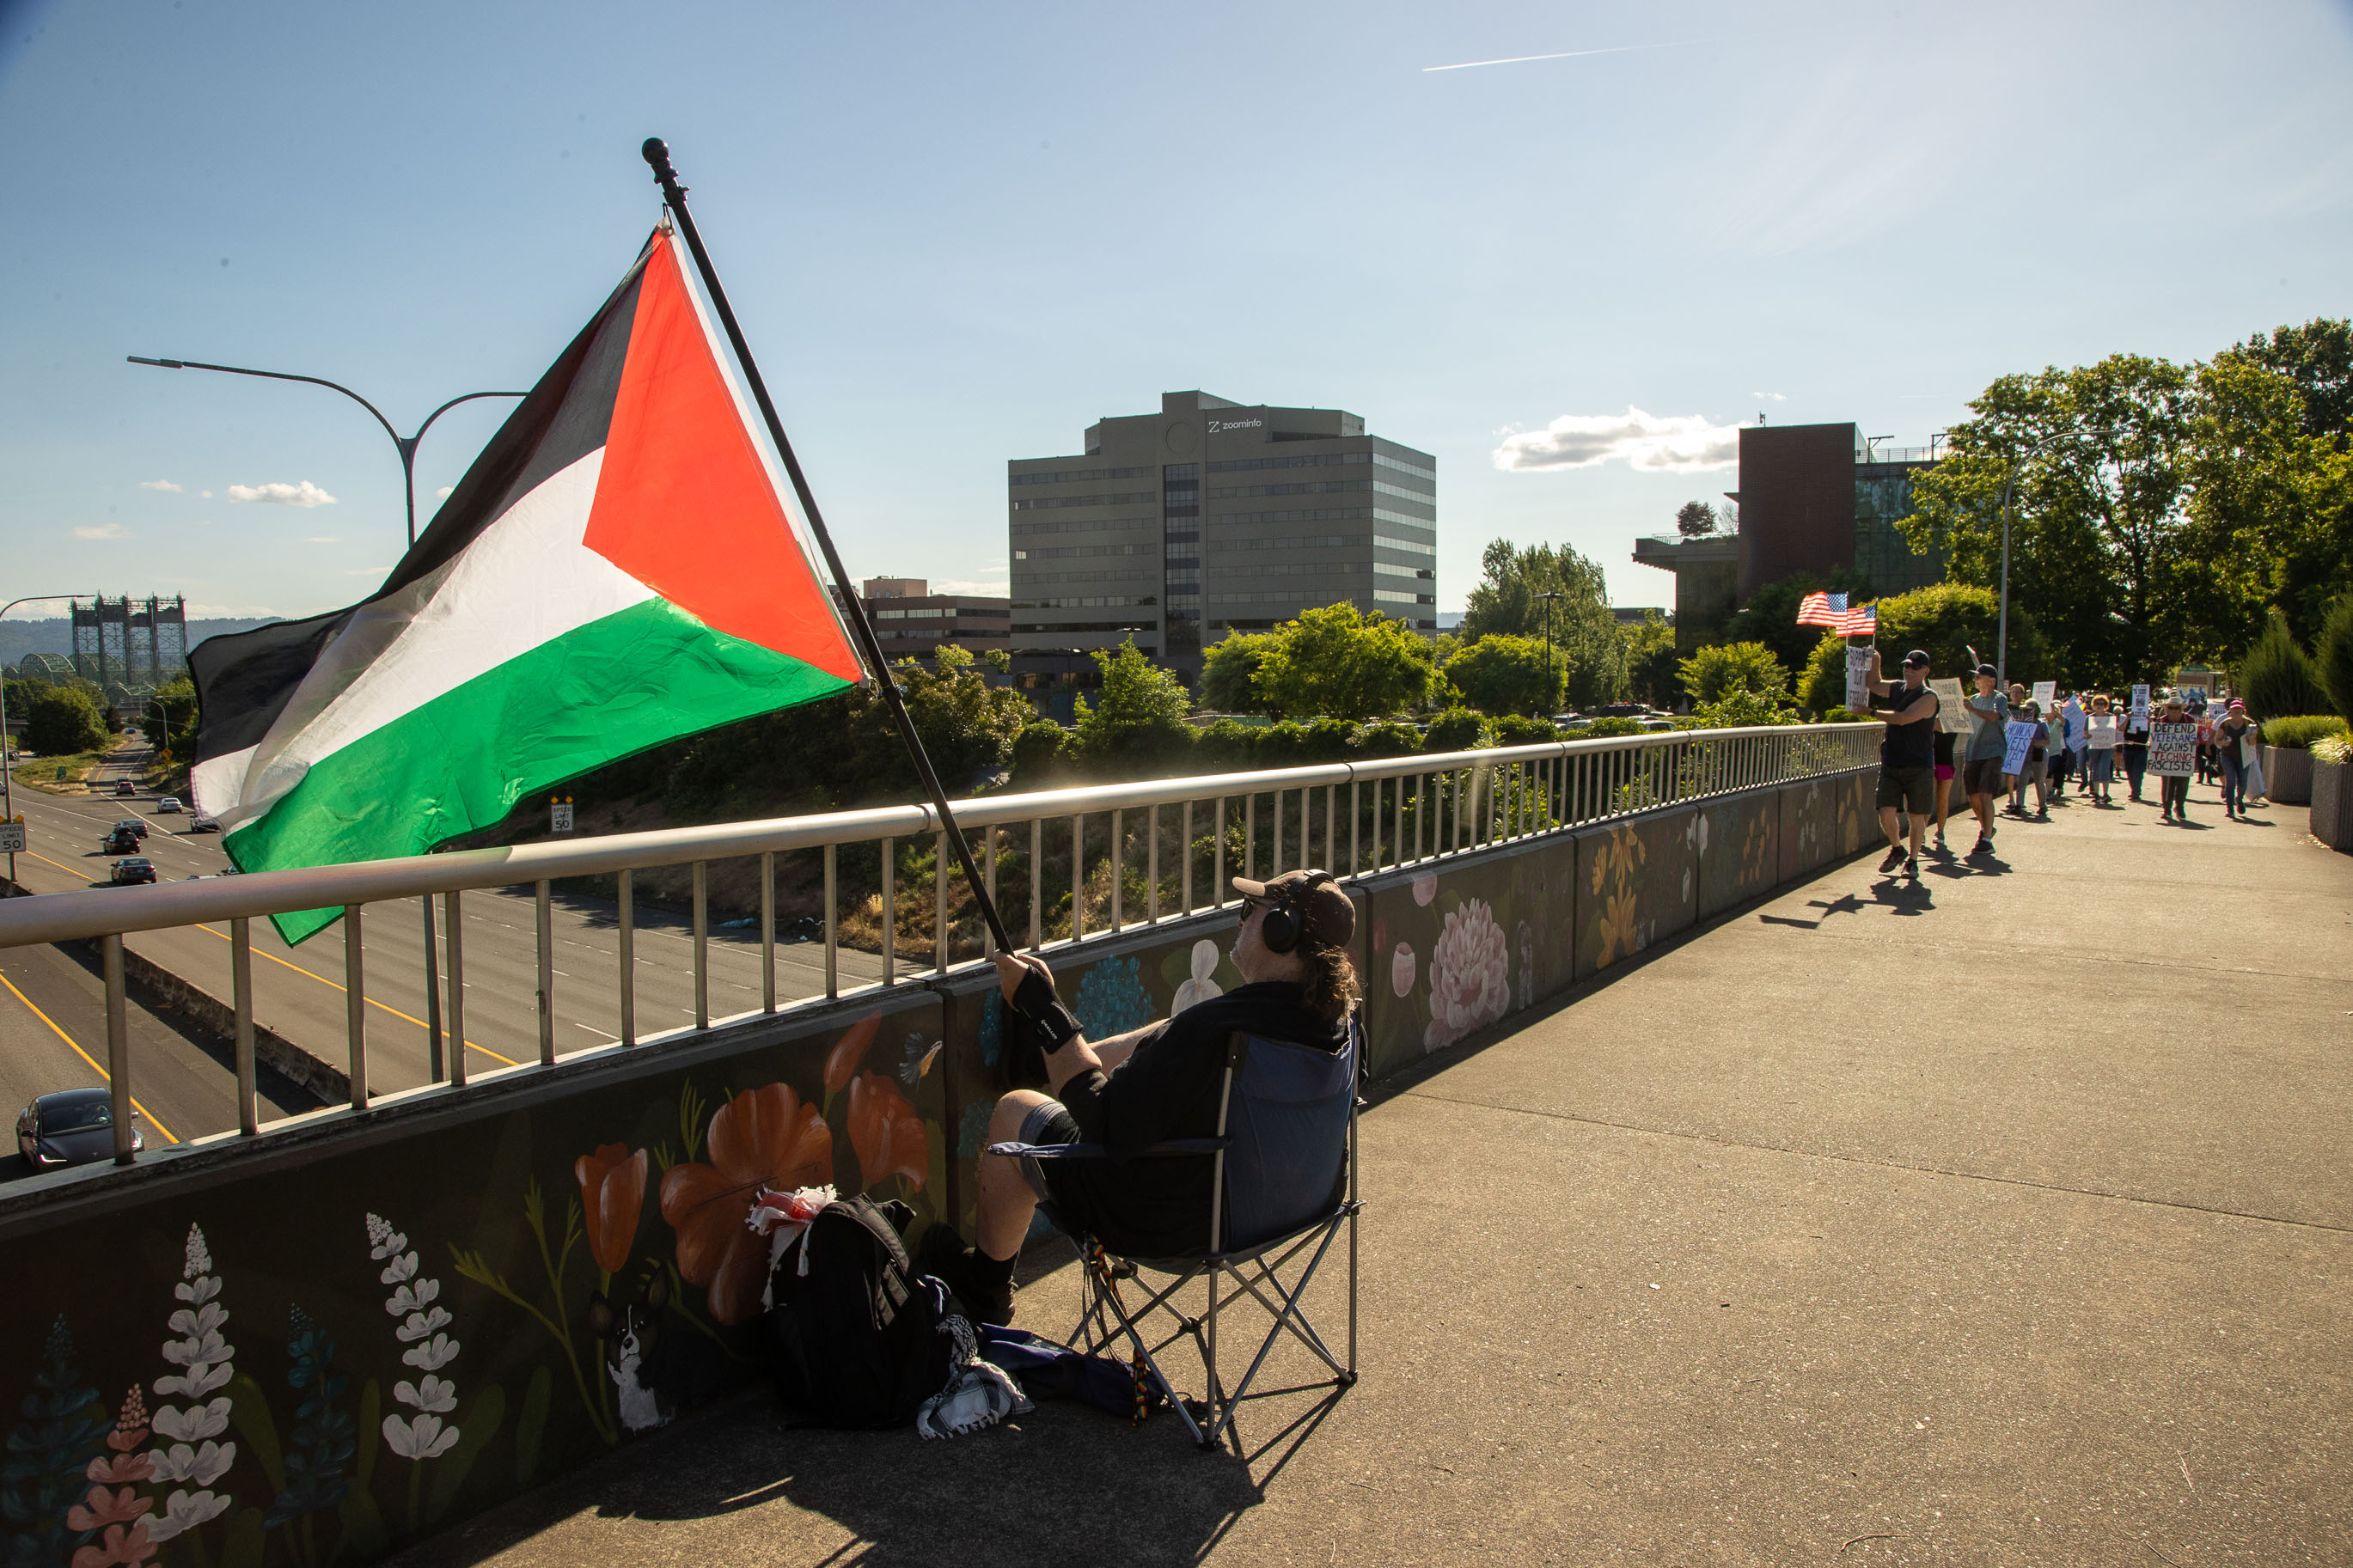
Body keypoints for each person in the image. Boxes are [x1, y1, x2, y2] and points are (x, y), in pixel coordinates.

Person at [925, 869, 1359, 1324]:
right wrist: (1068, 1054)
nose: (1240, 920)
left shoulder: (1215, 1030)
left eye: (1252, 910)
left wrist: (1042, 1010)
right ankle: (1061, 1063)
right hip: (1290, 1210)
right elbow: (1172, 1039)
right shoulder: (1338, 1024)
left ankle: (986, 1287)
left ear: (1281, 930)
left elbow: (1106, 1121)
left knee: (1016, 1109)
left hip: (1167, 1225)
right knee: (1164, 1035)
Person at [1861, 648, 1939, 878]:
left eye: (1914, 667)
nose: (1908, 670)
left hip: (1918, 764)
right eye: (1906, 666)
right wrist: (1876, 659)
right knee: (1885, 811)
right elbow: (1874, 684)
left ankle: (1913, 861)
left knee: (1916, 816)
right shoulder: (1897, 687)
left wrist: (1871, 712)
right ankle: (1897, 848)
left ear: (1925, 671)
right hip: (1892, 761)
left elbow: (1903, 718)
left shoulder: (1929, 697)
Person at [1961, 662, 2009, 855]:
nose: (1975, 680)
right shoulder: (1972, 699)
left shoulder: (1999, 698)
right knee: (1973, 796)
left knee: (1985, 794)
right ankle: (1986, 828)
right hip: (1973, 752)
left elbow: (1995, 716)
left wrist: (1972, 710)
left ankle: (1987, 839)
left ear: (1991, 681)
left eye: (1978, 676)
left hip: (1993, 752)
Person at [2215, 699, 2258, 820]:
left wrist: (2252, 737)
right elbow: (2217, 740)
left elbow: (2253, 743)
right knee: (2231, 781)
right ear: (2230, 711)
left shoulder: (2249, 724)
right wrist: (2223, 743)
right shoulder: (2225, 724)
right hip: (2227, 756)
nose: (2237, 711)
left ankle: (2239, 799)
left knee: (2243, 782)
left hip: (2244, 757)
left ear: (2243, 710)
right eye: (2234, 709)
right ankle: (2230, 809)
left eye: (2239, 708)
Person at [2156, 694, 2193, 823]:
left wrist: (2195, 742)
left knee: (2183, 783)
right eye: (2171, 708)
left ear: (2181, 709)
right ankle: (2166, 809)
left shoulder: (2189, 720)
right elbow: (2155, 736)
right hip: (2167, 757)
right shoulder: (2162, 721)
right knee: (2167, 784)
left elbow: (2195, 736)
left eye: (2177, 708)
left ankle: (2179, 806)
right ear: (2167, 709)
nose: (2174, 710)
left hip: (2184, 758)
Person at [2083, 694, 2119, 805]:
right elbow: (2085, 733)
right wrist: (2087, 736)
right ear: (2094, 705)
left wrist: (2114, 744)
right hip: (2094, 746)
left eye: (2102, 704)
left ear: (2106, 705)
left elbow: (2114, 732)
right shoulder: (2089, 718)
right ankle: (2096, 793)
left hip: (2107, 746)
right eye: (2097, 704)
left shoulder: (2110, 717)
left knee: (2105, 767)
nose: (2099, 706)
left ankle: (2105, 793)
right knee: (2095, 769)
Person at [2119, 693, 2151, 802]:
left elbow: (2154, 730)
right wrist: (2128, 718)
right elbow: (2121, 728)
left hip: (2141, 749)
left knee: (2138, 772)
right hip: (2128, 748)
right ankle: (2134, 790)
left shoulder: (2146, 721)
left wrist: (2149, 719)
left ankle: (2136, 792)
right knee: (2129, 771)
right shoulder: (2129, 719)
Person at [1932, 724, 1958, 852]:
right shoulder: (1928, 715)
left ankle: (1940, 831)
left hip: (1946, 763)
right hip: (1929, 762)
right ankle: (1921, 832)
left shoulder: (1954, 719)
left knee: (1942, 800)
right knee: (1926, 799)